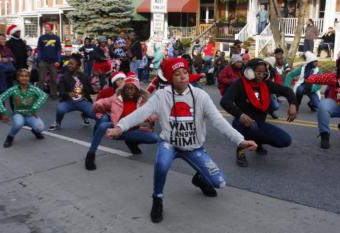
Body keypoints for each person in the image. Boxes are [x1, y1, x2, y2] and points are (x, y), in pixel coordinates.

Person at [106, 58, 257, 223]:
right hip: (169, 144)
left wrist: (239, 141)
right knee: (161, 166)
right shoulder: (161, 96)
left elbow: (218, 120)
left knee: (219, 183)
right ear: (170, 78)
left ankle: (200, 179)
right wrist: (120, 127)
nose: (183, 76)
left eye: (185, 72)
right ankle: (157, 198)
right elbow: (141, 113)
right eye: (177, 74)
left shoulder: (200, 95)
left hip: (194, 148)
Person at [221, 58, 297, 167]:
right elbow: (225, 101)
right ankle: (240, 150)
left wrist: (293, 104)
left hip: (259, 123)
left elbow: (287, 91)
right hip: (241, 123)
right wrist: (240, 115)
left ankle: (257, 141)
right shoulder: (239, 83)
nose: (261, 75)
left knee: (285, 140)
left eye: (264, 72)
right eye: (258, 72)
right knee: (253, 127)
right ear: (249, 71)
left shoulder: (266, 84)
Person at [85, 76, 160, 170]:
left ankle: (131, 142)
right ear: (123, 89)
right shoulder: (116, 98)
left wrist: (148, 119)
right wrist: (98, 106)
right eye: (127, 88)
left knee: (154, 138)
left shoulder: (143, 101)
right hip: (116, 128)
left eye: (132, 88)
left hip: (134, 130)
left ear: (137, 90)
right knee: (103, 126)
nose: (129, 91)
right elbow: (101, 102)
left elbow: (153, 114)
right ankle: (91, 155)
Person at [0, 69, 47, 147]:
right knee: (18, 123)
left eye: (26, 76)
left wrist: (34, 108)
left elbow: (44, 95)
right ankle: (10, 137)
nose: (24, 78)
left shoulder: (33, 89)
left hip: (30, 114)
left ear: (29, 78)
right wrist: (3, 112)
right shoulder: (13, 89)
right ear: (18, 78)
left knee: (40, 128)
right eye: (21, 76)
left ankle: (35, 130)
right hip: (18, 114)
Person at [49, 54, 95, 130]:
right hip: (69, 101)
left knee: (94, 114)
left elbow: (90, 91)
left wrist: (96, 88)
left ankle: (85, 115)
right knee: (60, 109)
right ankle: (57, 122)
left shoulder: (84, 77)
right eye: (69, 63)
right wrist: (68, 94)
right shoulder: (64, 77)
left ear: (78, 66)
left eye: (72, 64)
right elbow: (60, 92)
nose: (69, 65)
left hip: (82, 101)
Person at [306, 55, 340, 149]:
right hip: (336, 106)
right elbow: (313, 78)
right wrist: (309, 78)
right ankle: (324, 135)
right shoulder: (334, 77)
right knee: (323, 105)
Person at [37, 23, 61, 99]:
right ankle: (40, 94)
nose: (46, 29)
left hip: (53, 62)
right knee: (41, 79)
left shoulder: (56, 38)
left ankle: (53, 94)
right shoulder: (41, 38)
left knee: (53, 79)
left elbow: (58, 50)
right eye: (45, 27)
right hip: (43, 61)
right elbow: (39, 49)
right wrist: (39, 60)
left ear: (51, 28)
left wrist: (58, 61)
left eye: (48, 27)